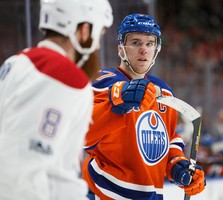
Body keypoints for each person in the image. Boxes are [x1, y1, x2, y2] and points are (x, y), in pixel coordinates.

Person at [0, 0, 113, 199]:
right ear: (84, 30)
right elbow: (19, 173)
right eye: (98, 34)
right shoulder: (60, 75)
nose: (97, 45)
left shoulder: (16, 63)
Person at [82, 13, 205, 199]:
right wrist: (117, 102)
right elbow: (82, 135)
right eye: (136, 42)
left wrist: (176, 164)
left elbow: (169, 138)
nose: (144, 50)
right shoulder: (102, 83)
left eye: (149, 43)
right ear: (121, 48)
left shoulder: (164, 92)